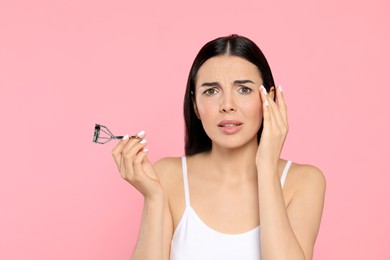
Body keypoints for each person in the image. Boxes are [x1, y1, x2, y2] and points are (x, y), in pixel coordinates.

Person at [111, 34, 326, 260]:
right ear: (195, 104)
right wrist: (154, 197)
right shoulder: (167, 176)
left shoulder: (304, 182)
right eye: (211, 91)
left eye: (243, 89)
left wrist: (266, 166)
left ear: (269, 100)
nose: (227, 105)